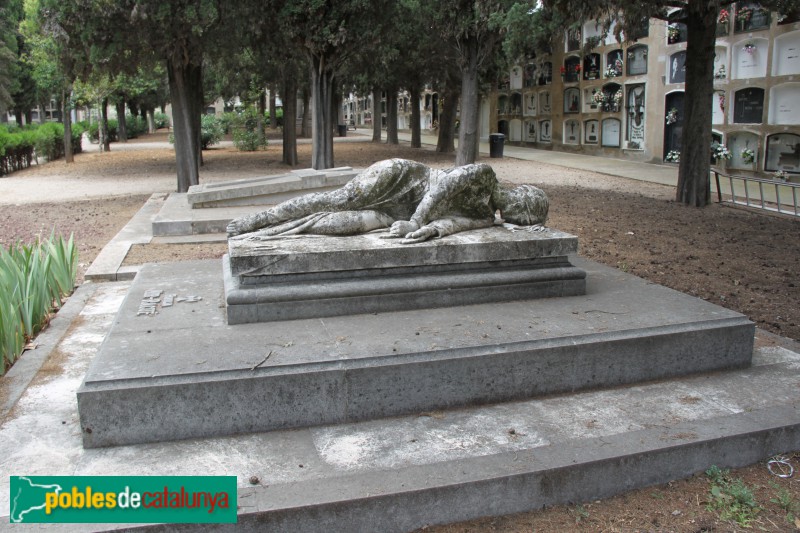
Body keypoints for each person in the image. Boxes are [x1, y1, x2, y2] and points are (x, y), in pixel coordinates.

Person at [227, 158, 548, 244]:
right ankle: (257, 220)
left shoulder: (486, 217)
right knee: (339, 199)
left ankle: (279, 230)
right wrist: (419, 221)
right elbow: (444, 188)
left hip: (402, 213)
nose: (521, 222)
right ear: (523, 198)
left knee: (342, 224)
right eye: (528, 216)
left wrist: (429, 231)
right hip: (403, 179)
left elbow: (452, 224)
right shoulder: (486, 174)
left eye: (526, 223)